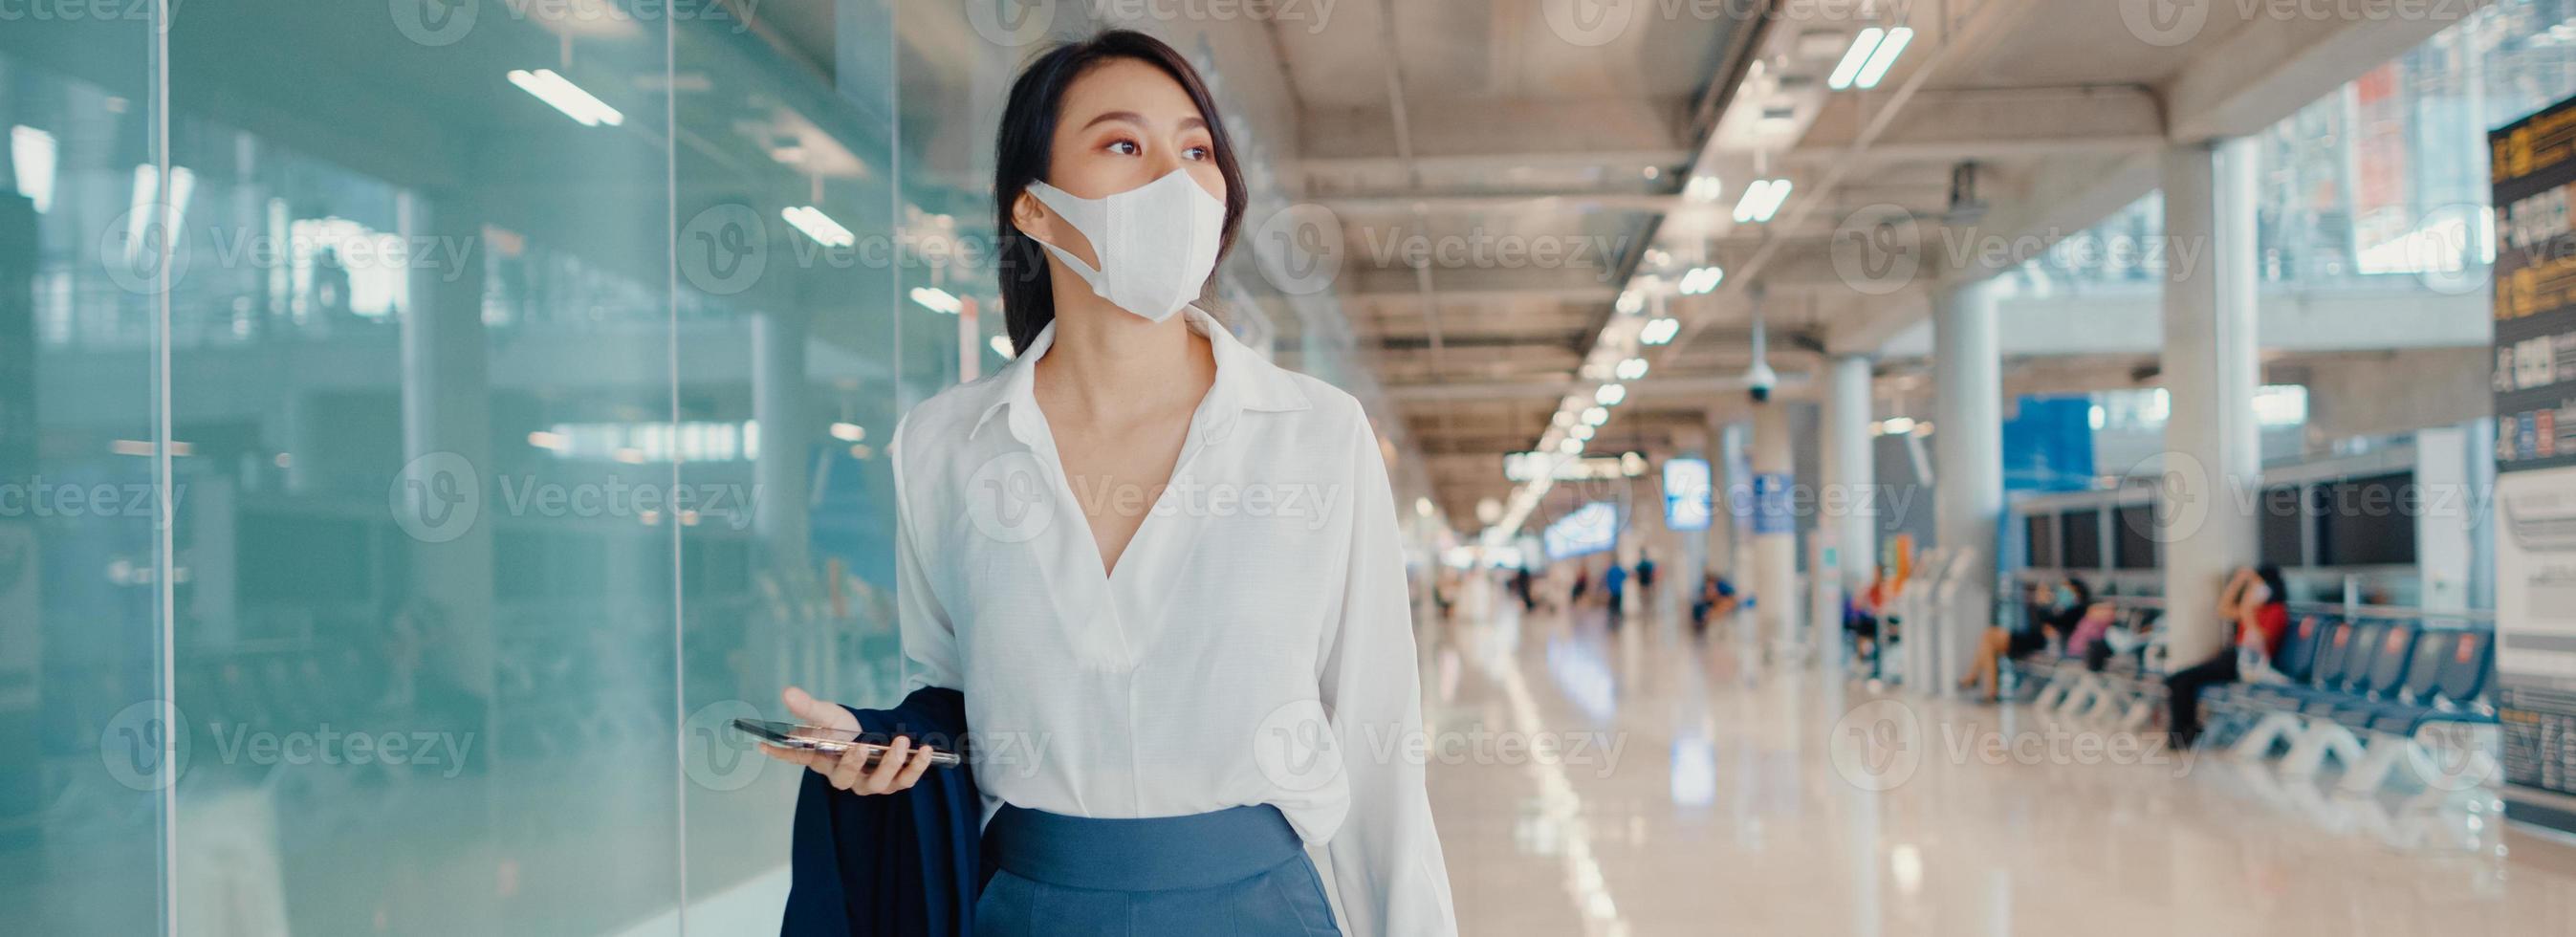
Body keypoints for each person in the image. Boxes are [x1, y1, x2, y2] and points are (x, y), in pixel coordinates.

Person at [763, 31, 1455, 937]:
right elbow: (958, 706)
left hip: (1258, 908)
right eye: (1125, 144)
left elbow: (1377, 750)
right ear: (1035, 211)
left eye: (1197, 150)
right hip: (1027, 910)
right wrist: (890, 752)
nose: (1176, 178)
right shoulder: (944, 448)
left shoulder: (1315, 436)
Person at [2166, 564, 2290, 747]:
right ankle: (2185, 731)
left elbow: (2258, 641)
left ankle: (2183, 735)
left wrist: (2247, 609)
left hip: (2246, 663)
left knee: (2183, 680)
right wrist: (2238, 583)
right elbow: (2223, 609)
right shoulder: (2255, 609)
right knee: (2178, 680)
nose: (2252, 591)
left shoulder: (2277, 611)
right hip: (2231, 657)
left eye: (2257, 586)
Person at [1958, 576, 2096, 701]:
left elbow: (2051, 622)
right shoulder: (2065, 608)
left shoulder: (2077, 610)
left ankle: (1978, 681)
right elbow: (2048, 622)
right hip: (2036, 639)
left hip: (2039, 643)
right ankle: (1985, 687)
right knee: (1988, 639)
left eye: (2066, 589)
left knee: (1988, 637)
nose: (2062, 592)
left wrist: (2043, 605)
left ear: (2077, 592)